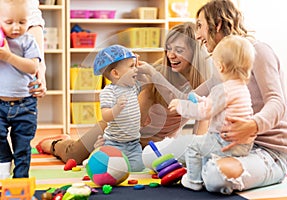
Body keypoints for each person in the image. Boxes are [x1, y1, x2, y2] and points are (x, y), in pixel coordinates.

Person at [138, 0, 287, 194]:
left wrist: (252, 126)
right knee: (151, 156)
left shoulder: (258, 51)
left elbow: (277, 102)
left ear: (218, 24)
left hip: (267, 152)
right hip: (223, 144)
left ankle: (207, 169)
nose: (197, 35)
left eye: (200, 26)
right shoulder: (222, 65)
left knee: (215, 176)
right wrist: (155, 78)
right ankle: (204, 167)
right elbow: (190, 98)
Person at [36, 22, 212, 165]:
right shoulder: (154, 74)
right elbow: (133, 121)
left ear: (194, 53)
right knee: (73, 155)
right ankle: (54, 142)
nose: (171, 55)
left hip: (154, 144)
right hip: (123, 132)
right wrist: (129, 71)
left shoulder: (203, 81)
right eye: (168, 49)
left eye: (179, 50)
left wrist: (194, 154)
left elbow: (200, 125)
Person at [168, 35, 255, 191]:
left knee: (193, 146)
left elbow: (204, 113)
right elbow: (216, 106)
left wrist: (181, 106)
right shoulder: (241, 88)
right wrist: (202, 100)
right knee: (205, 145)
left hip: (224, 142)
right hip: (242, 143)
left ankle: (193, 181)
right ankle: (202, 174)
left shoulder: (222, 89)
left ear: (220, 67)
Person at [0, 0, 42, 179]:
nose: (16, 27)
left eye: (22, 22)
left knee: (22, 148)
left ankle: (21, 182)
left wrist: (9, 56)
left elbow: (33, 67)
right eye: (9, 22)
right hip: (0, 104)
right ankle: (4, 162)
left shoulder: (28, 40)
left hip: (25, 105)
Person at [93, 44, 145, 172]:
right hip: (114, 142)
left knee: (138, 168)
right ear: (116, 73)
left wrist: (135, 64)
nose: (135, 70)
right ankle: (93, 158)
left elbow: (145, 79)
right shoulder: (108, 92)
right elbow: (105, 116)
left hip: (134, 143)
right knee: (112, 169)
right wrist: (116, 109)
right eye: (131, 67)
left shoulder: (132, 87)